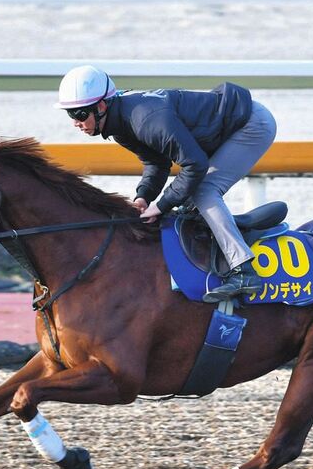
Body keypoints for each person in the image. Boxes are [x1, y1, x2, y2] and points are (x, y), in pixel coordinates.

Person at [54, 65, 277, 302]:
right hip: (225, 128)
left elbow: (194, 166)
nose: (75, 123)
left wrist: (162, 206)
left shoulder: (145, 120)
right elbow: (156, 163)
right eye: (71, 114)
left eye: (79, 114)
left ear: (100, 106)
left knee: (203, 191)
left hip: (250, 124)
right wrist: (143, 197)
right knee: (189, 199)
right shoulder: (118, 125)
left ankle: (243, 270)